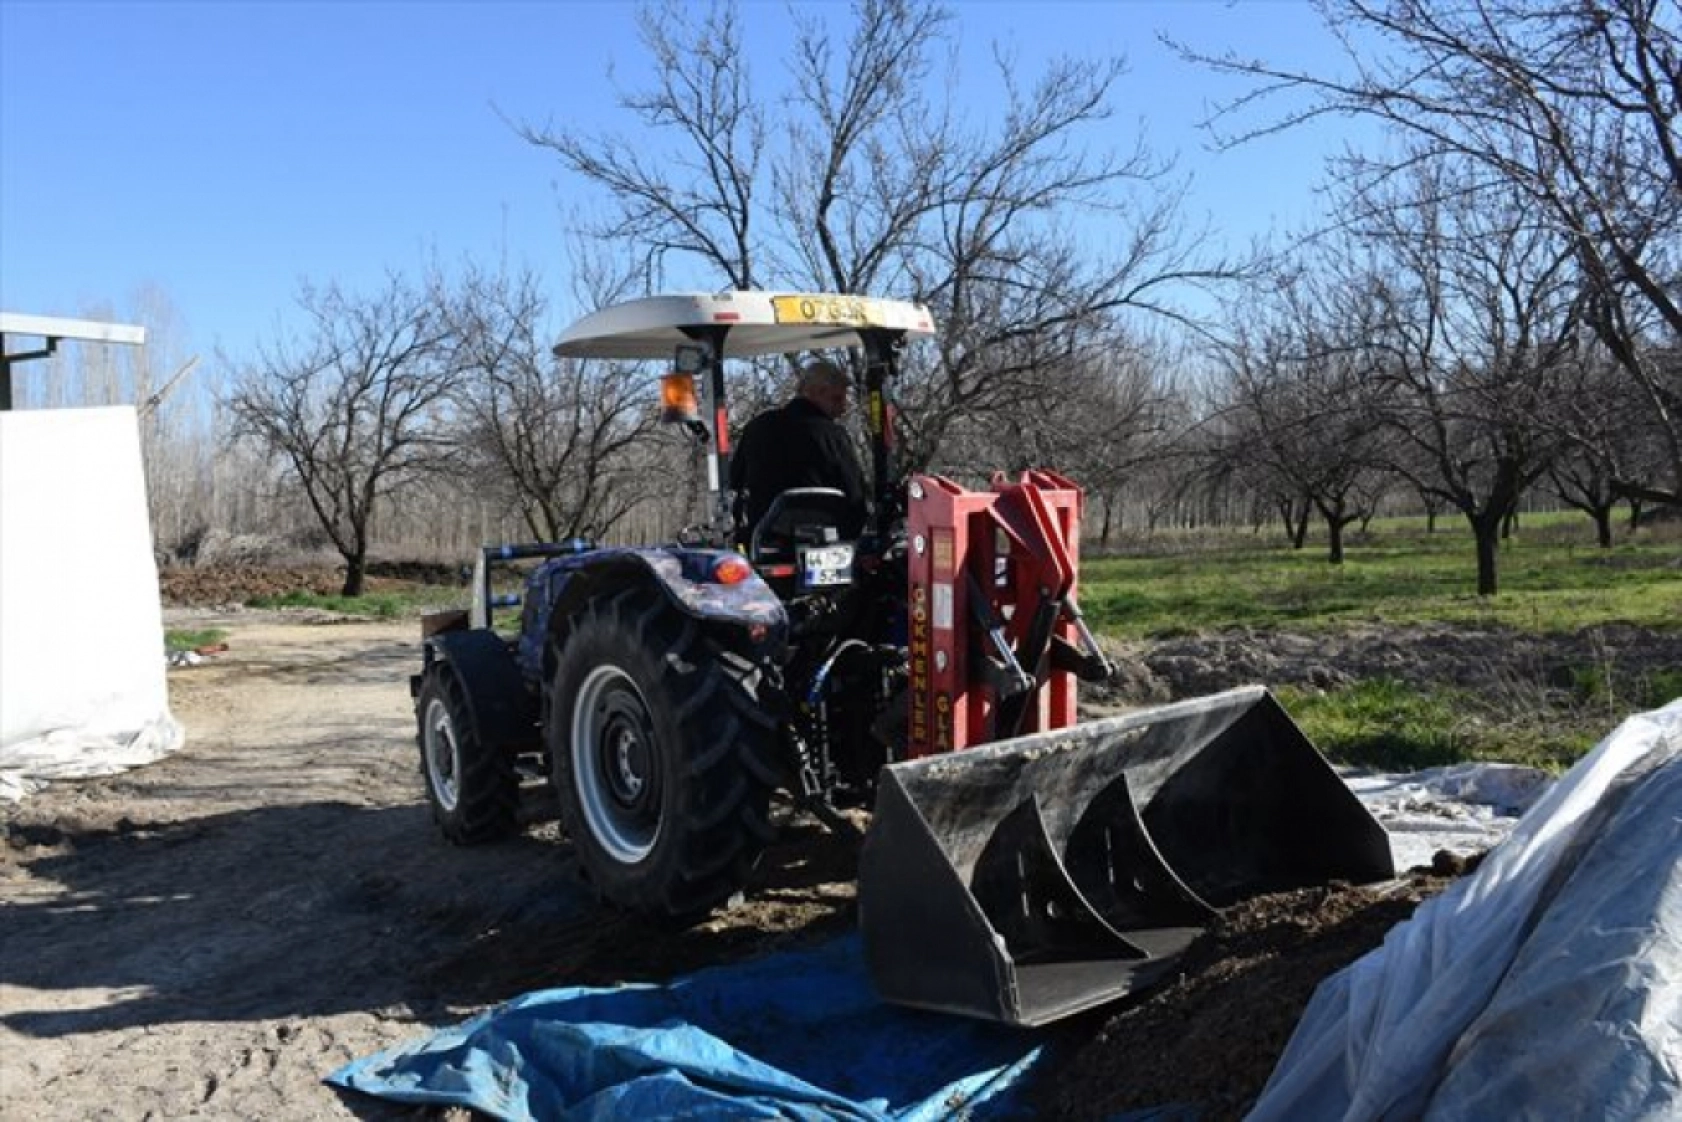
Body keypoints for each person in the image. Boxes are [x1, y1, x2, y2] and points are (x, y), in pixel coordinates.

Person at [729, 358, 868, 543]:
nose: (843, 408)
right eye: (837, 399)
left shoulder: (758, 427)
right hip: (821, 541)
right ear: (815, 393)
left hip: (762, 539)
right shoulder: (832, 436)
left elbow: (735, 481)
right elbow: (854, 493)